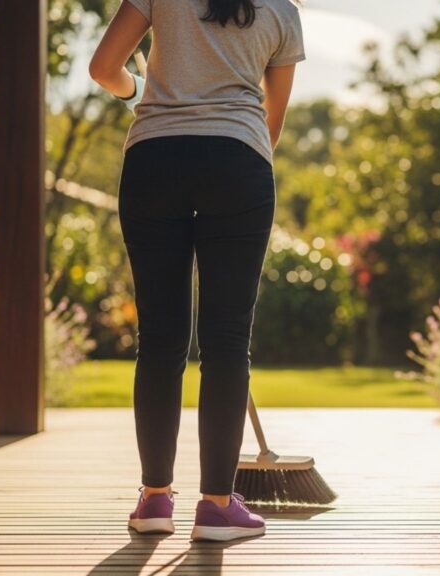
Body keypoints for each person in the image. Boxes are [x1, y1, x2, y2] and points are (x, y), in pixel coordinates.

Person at [89, 0, 304, 542]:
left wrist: (138, 92)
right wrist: (235, 162)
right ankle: (216, 506)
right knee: (227, 342)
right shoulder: (282, 10)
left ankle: (155, 501)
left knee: (159, 339)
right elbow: (271, 123)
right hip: (238, 161)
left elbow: (102, 69)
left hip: (153, 161)